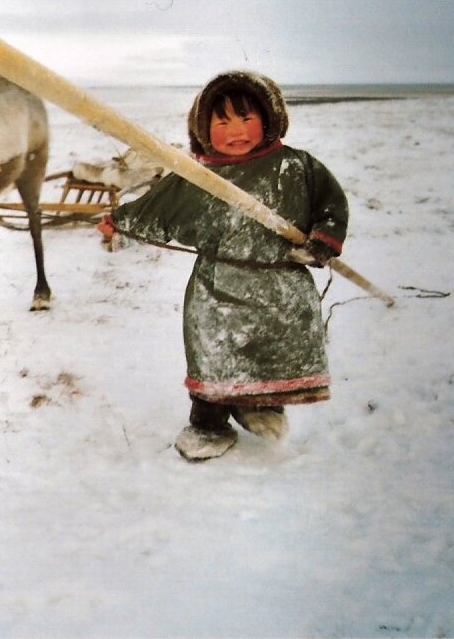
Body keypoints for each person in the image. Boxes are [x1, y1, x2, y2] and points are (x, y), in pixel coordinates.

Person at [97, 70, 348, 460]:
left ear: (269, 118)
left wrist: (321, 242)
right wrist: (121, 220)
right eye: (223, 121)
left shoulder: (297, 167)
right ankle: (208, 424)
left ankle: (260, 405)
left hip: (281, 286)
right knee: (214, 353)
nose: (236, 131)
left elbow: (330, 206)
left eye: (247, 118)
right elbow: (158, 206)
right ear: (203, 127)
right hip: (217, 288)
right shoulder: (198, 177)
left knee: (272, 350)